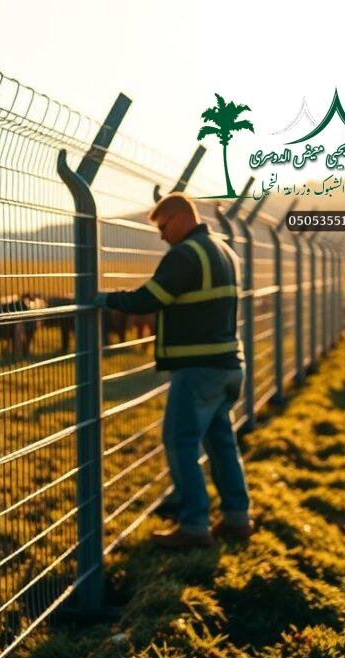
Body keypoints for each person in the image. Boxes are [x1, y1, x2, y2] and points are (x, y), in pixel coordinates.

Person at [92, 193, 252, 549]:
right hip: (228, 364)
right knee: (222, 444)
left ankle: (194, 525)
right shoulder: (224, 250)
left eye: (163, 227)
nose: (162, 236)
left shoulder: (186, 254)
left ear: (180, 218)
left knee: (181, 442)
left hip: (199, 367)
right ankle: (238, 519)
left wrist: (105, 299)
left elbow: (150, 299)